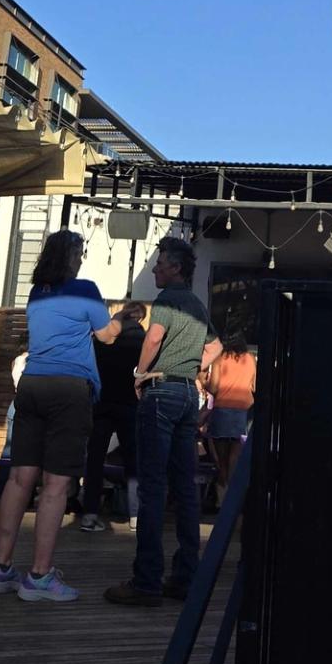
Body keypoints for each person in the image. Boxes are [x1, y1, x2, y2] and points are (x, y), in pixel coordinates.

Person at [0, 231, 121, 604]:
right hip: (69, 389)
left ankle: (2, 570)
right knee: (56, 485)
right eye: (80, 253)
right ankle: (39, 576)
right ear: (72, 256)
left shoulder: (37, 292)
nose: (82, 259)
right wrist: (122, 319)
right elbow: (108, 336)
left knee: (19, 478)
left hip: (31, 384)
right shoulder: (85, 289)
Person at [106, 235, 220, 608]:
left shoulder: (170, 299)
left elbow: (154, 338)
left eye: (160, 262)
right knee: (185, 487)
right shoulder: (198, 305)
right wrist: (192, 368)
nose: (155, 268)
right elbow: (215, 348)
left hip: (163, 392)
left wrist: (141, 372)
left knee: (153, 486)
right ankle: (185, 577)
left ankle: (146, 581)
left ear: (176, 268)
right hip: (189, 394)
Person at [80, 302, 146, 532]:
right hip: (128, 402)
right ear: (140, 318)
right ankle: (136, 515)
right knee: (133, 458)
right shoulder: (141, 338)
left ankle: (89, 513)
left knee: (95, 458)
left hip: (102, 401)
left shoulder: (104, 336)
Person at [202, 332, 256, 508]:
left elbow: (215, 386)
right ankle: (234, 501)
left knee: (221, 459)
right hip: (243, 410)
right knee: (235, 459)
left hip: (223, 409)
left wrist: (205, 384)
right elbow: (254, 386)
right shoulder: (251, 359)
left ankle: (221, 499)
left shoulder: (220, 359)